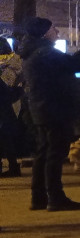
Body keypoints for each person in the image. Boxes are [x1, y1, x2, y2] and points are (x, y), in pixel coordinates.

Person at [19, 18, 80, 211]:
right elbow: (78, 66)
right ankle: (55, 197)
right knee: (55, 154)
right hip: (56, 110)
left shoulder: (35, 51)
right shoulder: (46, 52)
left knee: (44, 153)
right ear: (44, 33)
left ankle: (39, 197)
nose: (57, 32)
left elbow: (68, 63)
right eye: (53, 29)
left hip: (43, 108)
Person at [0, 38, 25, 177]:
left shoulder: (10, 65)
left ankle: (13, 167)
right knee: (6, 137)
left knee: (5, 137)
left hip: (5, 105)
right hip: (9, 105)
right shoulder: (15, 62)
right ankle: (13, 166)